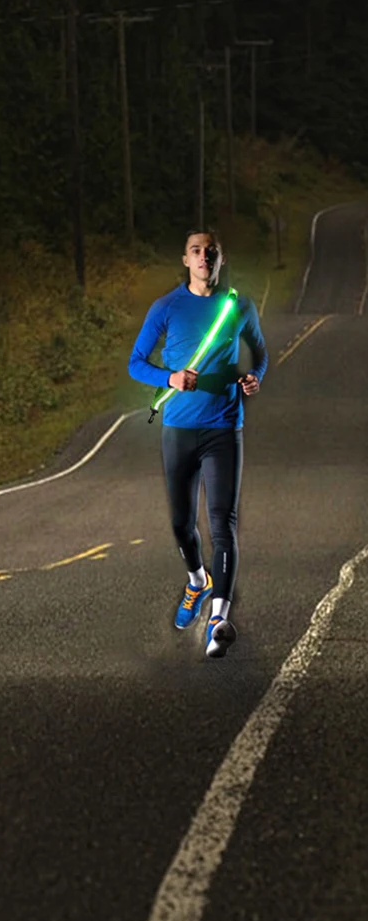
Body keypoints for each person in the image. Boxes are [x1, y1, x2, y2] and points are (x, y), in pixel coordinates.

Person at [128, 228, 268, 658]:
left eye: (211, 251)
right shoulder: (166, 307)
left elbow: (258, 353)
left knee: (222, 523)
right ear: (186, 260)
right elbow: (136, 363)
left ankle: (219, 620)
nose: (204, 256)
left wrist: (253, 377)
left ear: (220, 259)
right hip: (179, 430)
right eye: (196, 251)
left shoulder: (239, 306)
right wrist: (169, 377)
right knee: (180, 525)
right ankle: (197, 581)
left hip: (225, 427)